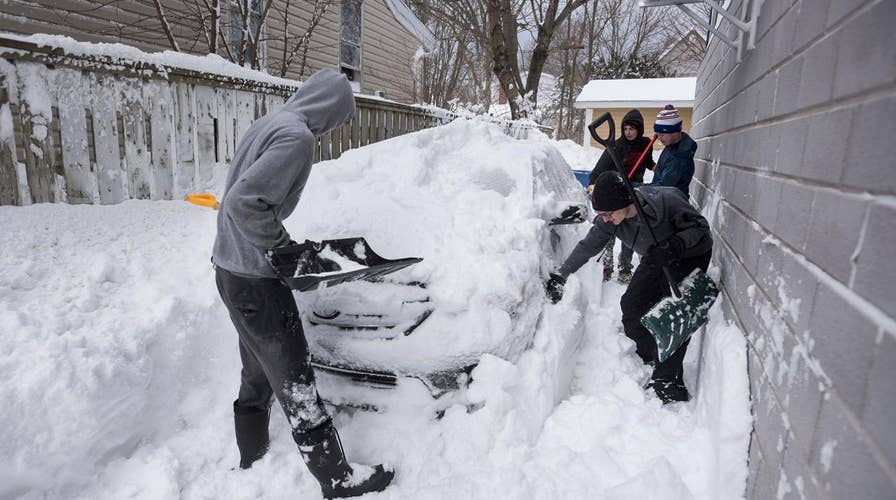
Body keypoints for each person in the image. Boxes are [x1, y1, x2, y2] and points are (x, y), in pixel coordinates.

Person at [211, 69, 394, 498]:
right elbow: (244, 202)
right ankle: (337, 480)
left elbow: (239, 193)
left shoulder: (269, 123)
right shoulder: (297, 138)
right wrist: (283, 250)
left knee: (256, 369)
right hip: (255, 277)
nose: (334, 128)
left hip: (229, 270)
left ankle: (251, 455)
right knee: (295, 380)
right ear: (329, 110)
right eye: (339, 119)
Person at [544, 171, 712, 403]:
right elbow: (587, 246)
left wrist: (675, 245)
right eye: (601, 215)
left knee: (678, 313)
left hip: (690, 254)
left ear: (625, 203)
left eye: (608, 213)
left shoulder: (667, 200)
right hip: (655, 255)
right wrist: (561, 275)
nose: (605, 219)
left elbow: (702, 230)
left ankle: (667, 380)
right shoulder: (610, 221)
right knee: (631, 303)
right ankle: (649, 351)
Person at [586, 109, 655, 283]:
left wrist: (658, 168)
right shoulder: (616, 146)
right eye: (625, 129)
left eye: (632, 129)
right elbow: (598, 169)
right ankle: (606, 266)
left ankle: (625, 268)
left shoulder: (646, 144)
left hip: (634, 194)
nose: (628, 132)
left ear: (639, 129)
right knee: (609, 229)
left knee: (631, 234)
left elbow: (648, 162)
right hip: (616, 194)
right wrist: (593, 184)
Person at [650, 104, 697, 198]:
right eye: (657, 134)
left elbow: (663, 187)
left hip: (671, 207)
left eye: (662, 134)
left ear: (674, 131)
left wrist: (635, 187)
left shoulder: (679, 157)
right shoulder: (671, 146)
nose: (659, 138)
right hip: (666, 201)